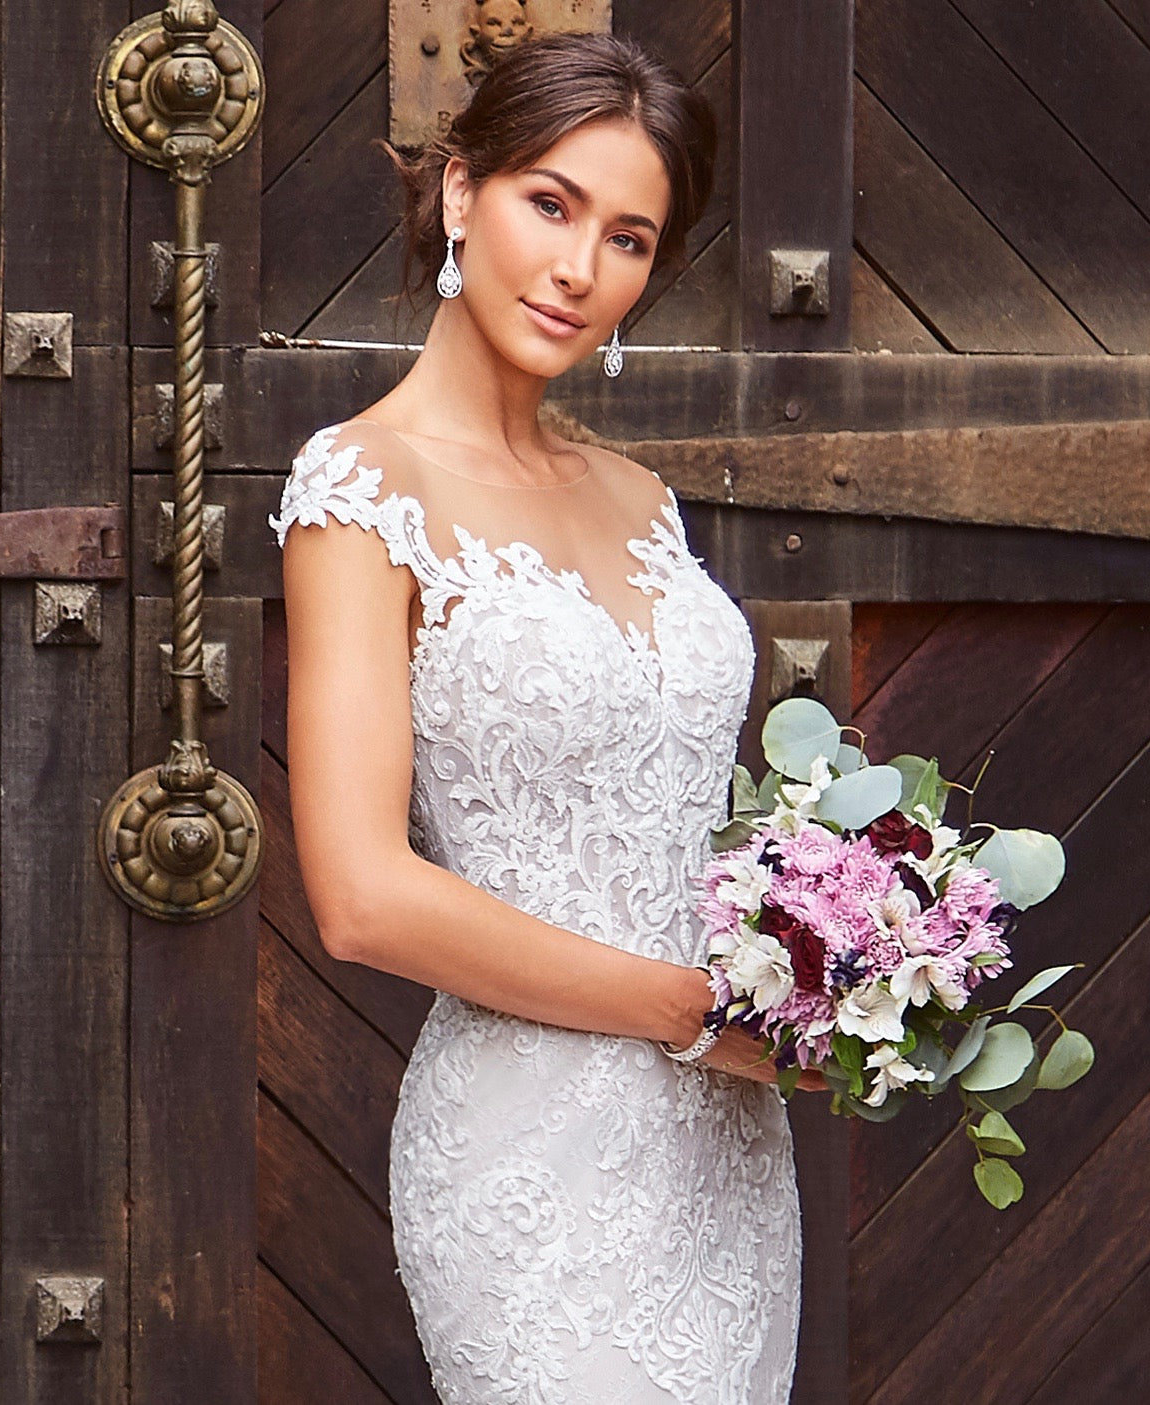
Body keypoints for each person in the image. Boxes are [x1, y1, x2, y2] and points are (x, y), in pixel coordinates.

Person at [270, 31, 828, 1404]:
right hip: (534, 1149)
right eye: (551, 204)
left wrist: (832, 947)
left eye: (628, 236)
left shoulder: (643, 499)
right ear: (462, 194)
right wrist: (692, 1009)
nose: (582, 268)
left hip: (724, 1153)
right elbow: (361, 898)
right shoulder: (359, 486)